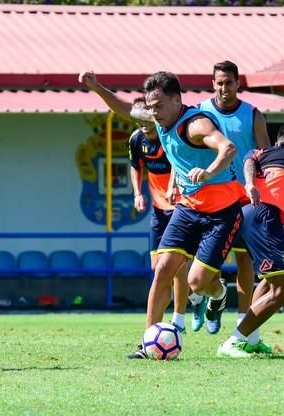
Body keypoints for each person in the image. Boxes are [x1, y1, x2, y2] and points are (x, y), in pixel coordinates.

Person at [80, 71, 244, 359]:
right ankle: (147, 343)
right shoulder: (157, 118)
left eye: (158, 106)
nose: (153, 113)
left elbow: (228, 148)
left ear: (177, 99)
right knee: (162, 270)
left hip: (222, 212)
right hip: (188, 207)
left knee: (196, 283)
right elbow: (125, 108)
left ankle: (218, 295)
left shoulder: (195, 125)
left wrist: (207, 172)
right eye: (151, 107)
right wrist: (96, 87)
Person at [217, 125, 284, 358]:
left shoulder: (262, 152)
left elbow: (248, 159)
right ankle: (234, 341)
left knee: (270, 280)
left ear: (278, 141)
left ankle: (251, 339)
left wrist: (250, 184)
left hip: (245, 212)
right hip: (265, 215)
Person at [197, 60, 271, 337]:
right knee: (208, 260)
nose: (224, 87)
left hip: (244, 197)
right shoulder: (200, 112)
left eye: (229, 82)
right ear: (212, 83)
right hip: (211, 195)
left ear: (238, 83)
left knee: (245, 262)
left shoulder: (253, 114)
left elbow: (266, 156)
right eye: (219, 82)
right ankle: (212, 299)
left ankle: (243, 320)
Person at [128, 96, 197, 334]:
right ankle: (166, 318)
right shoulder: (136, 140)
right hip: (158, 210)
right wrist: (137, 193)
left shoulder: (168, 136)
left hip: (179, 206)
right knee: (158, 268)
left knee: (175, 266)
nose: (144, 124)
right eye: (138, 121)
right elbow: (136, 166)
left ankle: (178, 319)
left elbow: (179, 163)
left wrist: (172, 185)